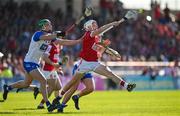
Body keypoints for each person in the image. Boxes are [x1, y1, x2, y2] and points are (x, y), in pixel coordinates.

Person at [52, 19, 136, 112]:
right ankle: (58, 99)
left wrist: (111, 52)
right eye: (93, 24)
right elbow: (102, 29)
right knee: (73, 85)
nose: (95, 25)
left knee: (109, 73)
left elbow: (100, 47)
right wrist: (112, 23)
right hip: (84, 63)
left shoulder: (96, 37)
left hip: (94, 63)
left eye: (96, 23)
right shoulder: (89, 33)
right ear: (88, 27)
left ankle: (127, 86)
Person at [2, 19, 81, 112]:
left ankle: (8, 87)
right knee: (43, 81)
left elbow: (63, 42)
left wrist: (78, 41)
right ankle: (48, 105)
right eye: (48, 25)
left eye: (50, 24)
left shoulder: (49, 37)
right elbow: (47, 37)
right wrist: (57, 34)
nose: (50, 26)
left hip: (35, 63)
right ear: (43, 26)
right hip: (29, 62)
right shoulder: (38, 34)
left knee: (26, 83)